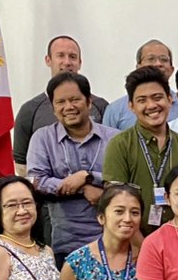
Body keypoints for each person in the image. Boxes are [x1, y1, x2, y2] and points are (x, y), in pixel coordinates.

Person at [27, 71, 119, 268]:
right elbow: (36, 181)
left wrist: (88, 176)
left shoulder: (114, 139)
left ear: (89, 101)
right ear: (53, 107)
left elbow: (124, 182)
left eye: (75, 99)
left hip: (113, 240)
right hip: (64, 243)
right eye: (60, 102)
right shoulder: (42, 138)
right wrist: (83, 187)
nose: (68, 107)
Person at [102, 65, 178, 234]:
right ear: (131, 106)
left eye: (157, 97)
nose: (151, 105)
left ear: (170, 99)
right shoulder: (119, 145)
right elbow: (115, 203)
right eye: (142, 100)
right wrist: (143, 247)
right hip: (133, 245)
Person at [13, 36, 109, 175]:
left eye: (73, 57)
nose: (67, 62)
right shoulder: (29, 110)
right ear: (48, 60)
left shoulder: (101, 106)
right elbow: (23, 166)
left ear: (80, 63)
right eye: (60, 56)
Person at [103, 40, 178, 130]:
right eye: (151, 59)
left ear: (171, 69)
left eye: (164, 59)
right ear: (138, 67)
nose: (158, 64)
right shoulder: (115, 110)